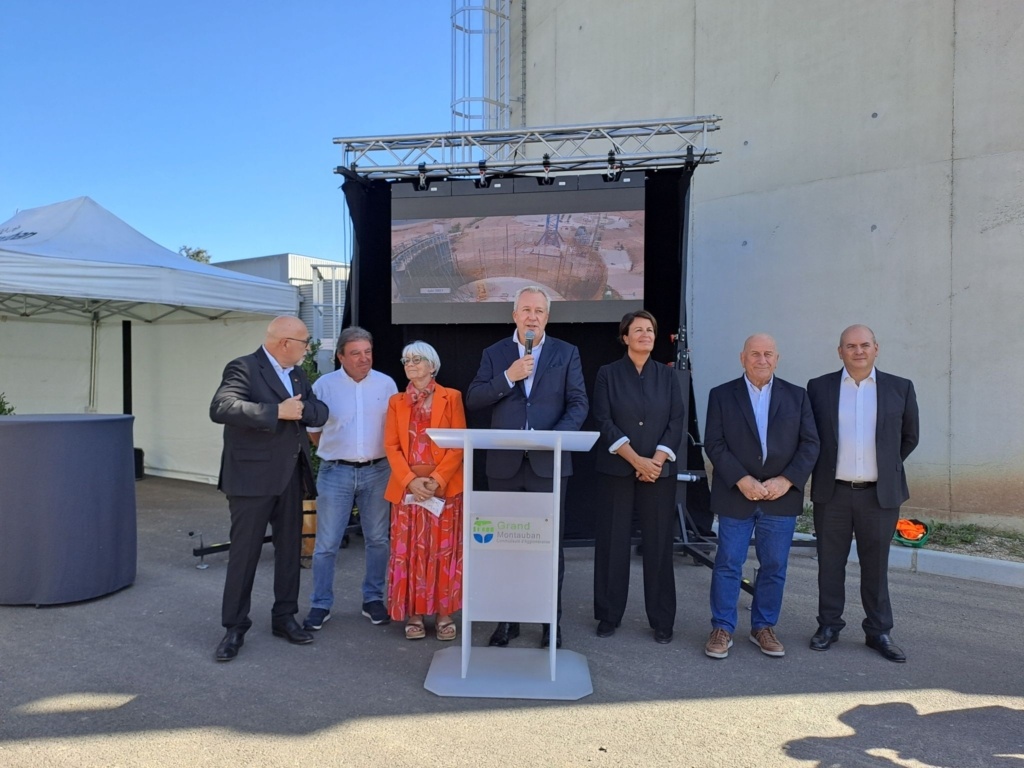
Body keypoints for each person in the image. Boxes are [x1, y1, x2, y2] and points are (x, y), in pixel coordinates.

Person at [466, 285, 589, 649]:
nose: (532, 317)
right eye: (526, 310)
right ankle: (507, 620)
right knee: (505, 545)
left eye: (539, 311)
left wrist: (552, 439)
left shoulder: (566, 352)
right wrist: (509, 376)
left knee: (548, 548)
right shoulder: (495, 354)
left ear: (547, 317)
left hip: (547, 464)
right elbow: (474, 398)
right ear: (514, 316)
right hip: (503, 466)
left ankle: (550, 622)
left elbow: (579, 403)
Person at [209, 316, 329, 662]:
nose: (308, 349)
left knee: (290, 551)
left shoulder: (297, 374)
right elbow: (222, 407)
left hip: (290, 476)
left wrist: (303, 409)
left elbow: (319, 410)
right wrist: (277, 411)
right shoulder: (244, 367)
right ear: (285, 343)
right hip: (251, 480)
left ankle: (284, 617)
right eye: (305, 342)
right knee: (244, 555)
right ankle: (234, 627)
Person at [806, 324, 919, 662]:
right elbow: (811, 436)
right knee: (830, 564)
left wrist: (883, 466)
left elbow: (909, 437)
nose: (858, 351)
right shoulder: (819, 388)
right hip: (833, 493)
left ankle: (878, 631)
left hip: (879, 495)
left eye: (864, 345)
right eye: (851, 346)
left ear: (876, 348)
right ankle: (829, 625)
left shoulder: (900, 388)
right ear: (840, 351)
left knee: (876, 565)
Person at [703, 333, 819, 659]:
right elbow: (714, 443)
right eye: (755, 354)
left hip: (780, 495)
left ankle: (763, 627)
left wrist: (787, 480)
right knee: (728, 563)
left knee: (774, 565)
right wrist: (741, 479)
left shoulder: (797, 396)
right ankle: (722, 627)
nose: (762, 359)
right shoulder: (721, 395)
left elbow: (810, 444)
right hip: (737, 493)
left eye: (768, 354)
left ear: (777, 359)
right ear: (743, 358)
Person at [592, 310, 685, 644]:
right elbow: (603, 419)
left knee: (658, 545)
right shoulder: (608, 374)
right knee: (613, 542)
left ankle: (662, 620)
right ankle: (608, 614)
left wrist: (655, 462)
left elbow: (676, 420)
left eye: (650, 329)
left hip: (659, 472)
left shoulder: (668, 376)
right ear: (625, 337)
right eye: (638, 330)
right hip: (617, 469)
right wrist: (636, 461)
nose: (645, 334)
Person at [302, 327, 398, 631]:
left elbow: (394, 429)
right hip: (336, 472)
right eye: (356, 353)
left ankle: (373, 599)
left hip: (378, 471)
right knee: (326, 544)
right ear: (340, 356)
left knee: (378, 540)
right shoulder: (324, 386)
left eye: (367, 352)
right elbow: (314, 431)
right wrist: (339, 454)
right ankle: (320, 603)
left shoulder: (386, 384)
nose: (364, 358)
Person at [383, 341, 467, 641]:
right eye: (406, 360)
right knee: (409, 553)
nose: (410, 364)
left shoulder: (451, 397)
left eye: (417, 359)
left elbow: (459, 443)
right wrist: (410, 481)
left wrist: (436, 480)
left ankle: (444, 615)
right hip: (407, 490)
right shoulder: (396, 401)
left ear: (433, 365)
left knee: (443, 552)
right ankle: (414, 615)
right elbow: (391, 446)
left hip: (443, 489)